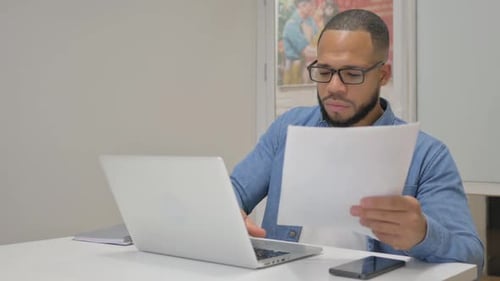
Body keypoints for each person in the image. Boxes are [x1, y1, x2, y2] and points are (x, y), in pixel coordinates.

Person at [231, 8, 484, 274]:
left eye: (352, 74)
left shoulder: (427, 155)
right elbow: (234, 190)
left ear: (383, 75)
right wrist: (230, 214)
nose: (334, 87)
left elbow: (473, 257)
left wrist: (423, 234)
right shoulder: (288, 128)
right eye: (325, 71)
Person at [282, 0, 318, 85]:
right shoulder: (292, 25)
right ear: (300, 6)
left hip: (308, 65)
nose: (311, 7)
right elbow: (306, 51)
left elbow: (318, 39)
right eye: (308, 5)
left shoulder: (310, 21)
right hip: (295, 69)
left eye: (311, 5)